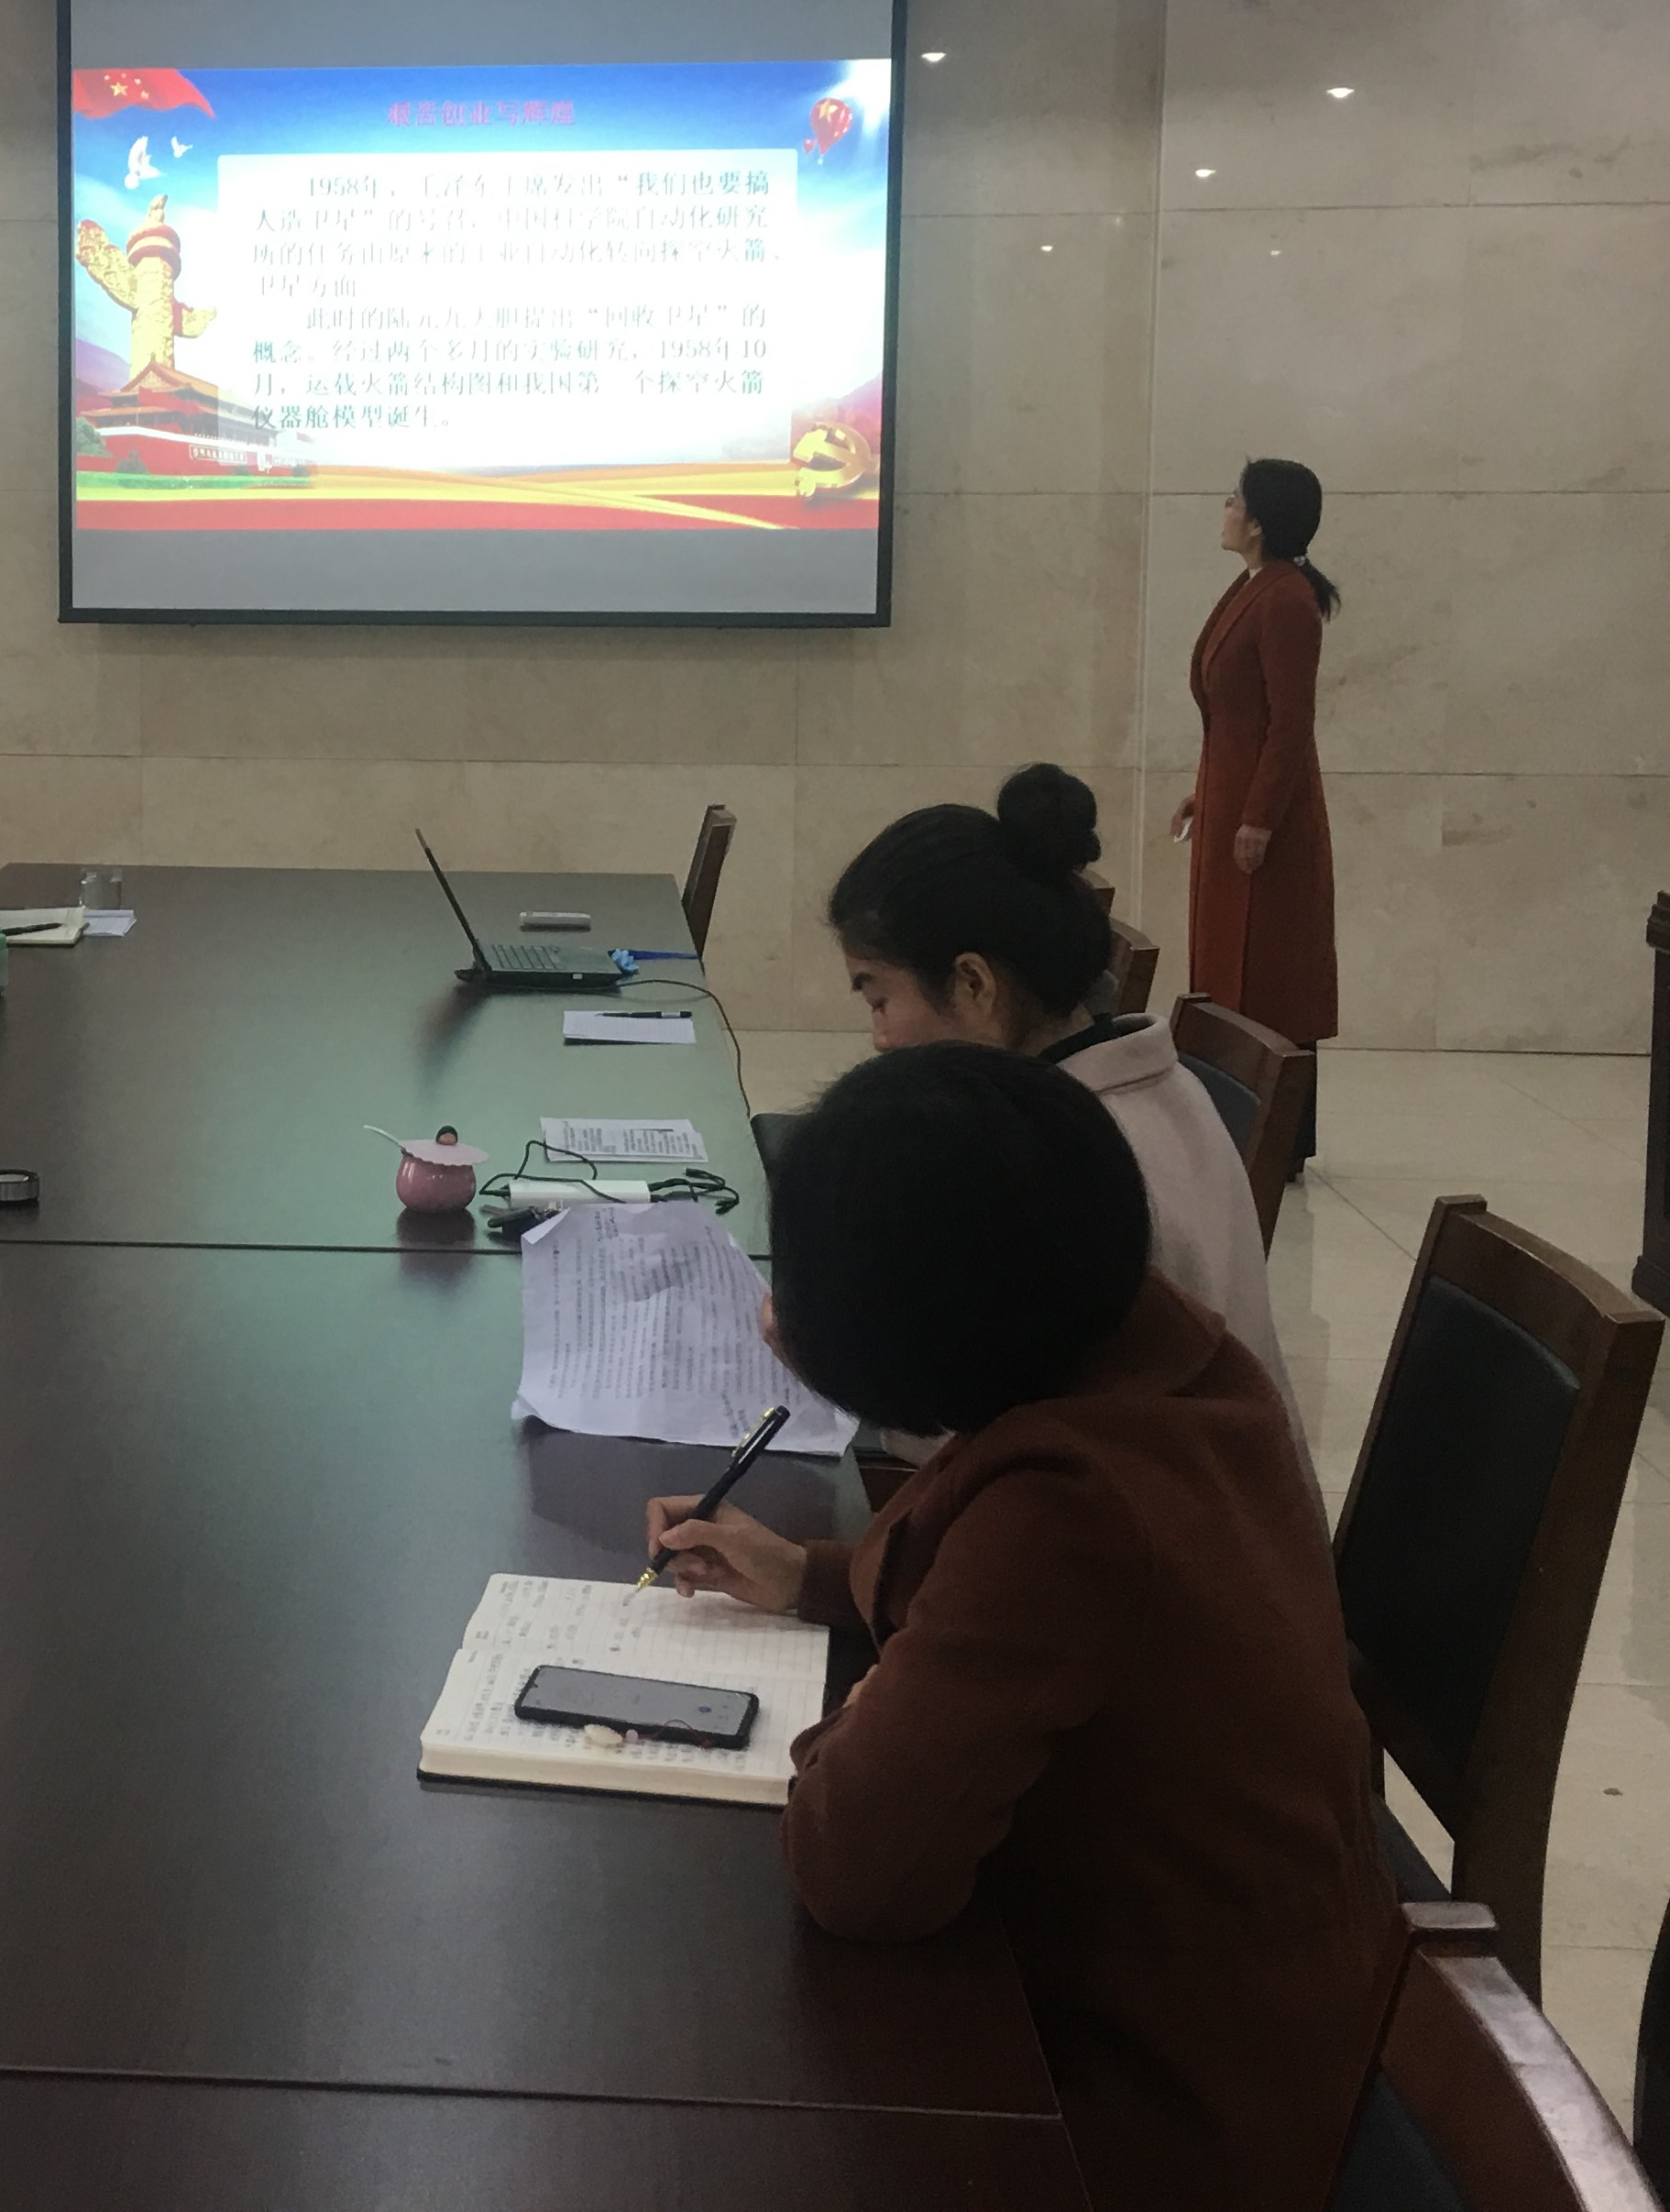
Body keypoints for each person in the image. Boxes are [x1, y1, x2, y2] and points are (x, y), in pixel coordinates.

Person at [649, 1047, 1390, 2212]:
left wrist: (857, 1723)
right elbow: (999, 1599)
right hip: (1279, 1999)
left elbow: (857, 1871)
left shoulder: (1065, 1510)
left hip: (1157, 2111)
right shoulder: (1163, 1353)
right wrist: (808, 1576)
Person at [827, 762, 1291, 1434]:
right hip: (1214, 1483)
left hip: (1146, 1494)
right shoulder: (1156, 1083)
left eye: (879, 1000)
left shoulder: (1060, 1167)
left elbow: (973, 1436)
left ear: (973, 985)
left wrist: (815, 1359)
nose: (879, 1039)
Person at [1171, 457, 1338, 1167]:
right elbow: (1235, 719)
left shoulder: (1285, 599)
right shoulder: (1256, 586)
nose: (1224, 509)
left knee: (1267, 973)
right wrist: (1207, 792)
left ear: (1259, 521)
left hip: (1265, 822)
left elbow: (1288, 724)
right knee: (1225, 967)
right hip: (1230, 805)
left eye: (1233, 500)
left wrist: (1259, 815)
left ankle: (1276, 1138)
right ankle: (1235, 1121)